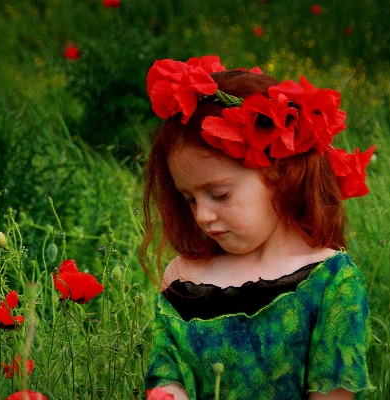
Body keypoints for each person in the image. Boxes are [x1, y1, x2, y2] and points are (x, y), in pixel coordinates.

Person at [140, 55, 375, 400]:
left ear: (279, 172)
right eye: (189, 199)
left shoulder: (330, 280)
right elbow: (165, 377)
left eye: (219, 194)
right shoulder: (182, 277)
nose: (202, 215)